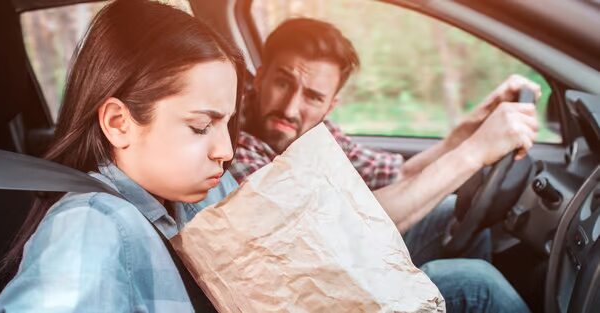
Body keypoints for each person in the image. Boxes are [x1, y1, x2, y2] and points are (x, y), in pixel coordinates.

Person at [229, 18, 535, 312]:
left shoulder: (314, 132)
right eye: (282, 83)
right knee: (478, 286)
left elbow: (398, 175)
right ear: (260, 76)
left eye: (312, 96)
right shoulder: (234, 144)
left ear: (330, 104)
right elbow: (347, 231)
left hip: (337, 262)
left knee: (449, 213)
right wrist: (475, 153)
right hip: (305, 296)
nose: (290, 108)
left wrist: (472, 128)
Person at [0, 0, 244, 311]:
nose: (226, 151)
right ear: (118, 123)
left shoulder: (210, 190)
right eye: (201, 126)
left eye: (226, 123)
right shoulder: (90, 227)